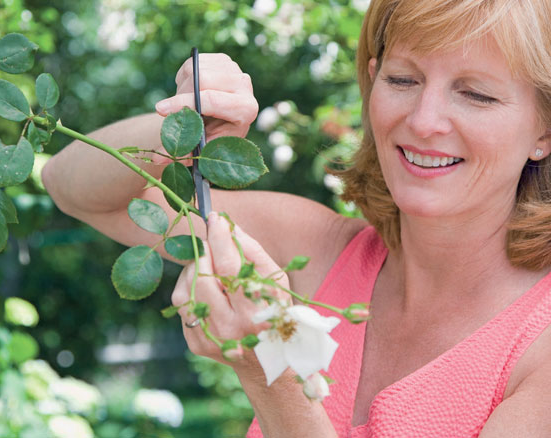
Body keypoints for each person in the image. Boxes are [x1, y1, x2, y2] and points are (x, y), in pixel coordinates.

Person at [42, 0, 551, 436]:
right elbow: (74, 186)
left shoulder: (540, 353)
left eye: (476, 94)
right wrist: (188, 123)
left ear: (544, 131)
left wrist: (272, 375)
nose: (422, 120)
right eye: (403, 79)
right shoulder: (319, 247)